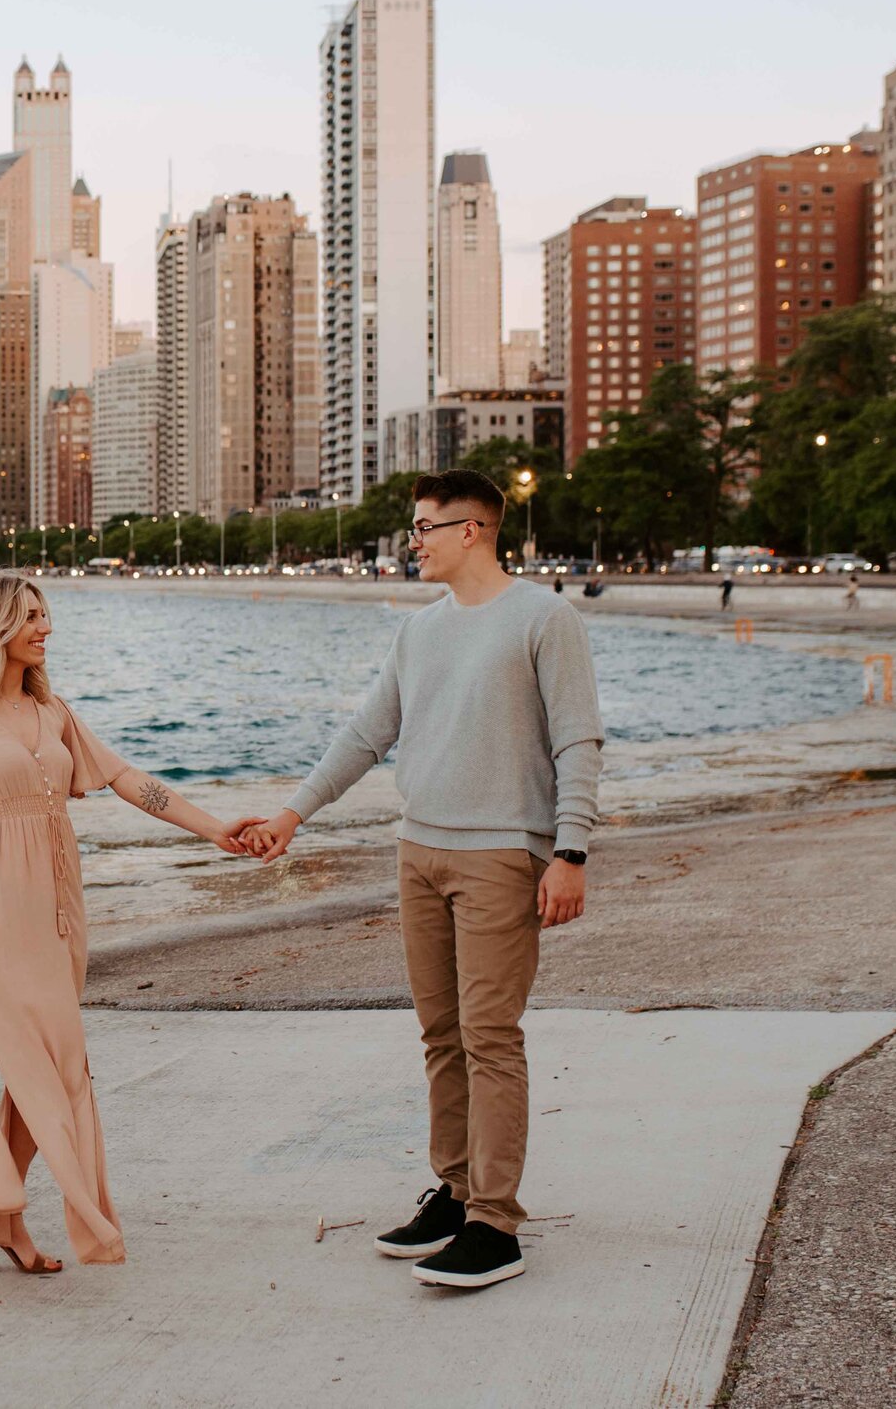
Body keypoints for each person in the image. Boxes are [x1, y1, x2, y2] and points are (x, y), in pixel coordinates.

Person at [236, 469, 603, 1292]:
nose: (414, 541)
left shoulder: (545, 617)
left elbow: (578, 741)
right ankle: (457, 1189)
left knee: (490, 1034)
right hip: (419, 851)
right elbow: (369, 732)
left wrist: (571, 851)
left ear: (471, 529)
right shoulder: (421, 630)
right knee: (441, 1034)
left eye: (424, 527)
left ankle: (496, 1222)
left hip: (503, 854)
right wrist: (295, 813)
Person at [0, 573, 246, 1271]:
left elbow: (127, 778)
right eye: (33, 616)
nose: (47, 627)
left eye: (47, 615)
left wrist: (215, 829)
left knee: (52, 1066)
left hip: (55, 911)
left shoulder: (54, 711)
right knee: (10, 1059)